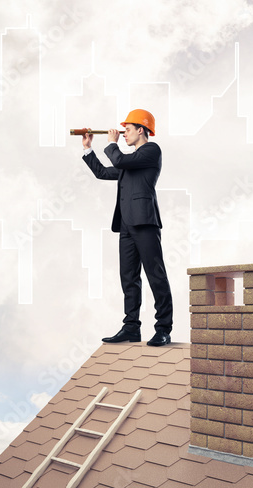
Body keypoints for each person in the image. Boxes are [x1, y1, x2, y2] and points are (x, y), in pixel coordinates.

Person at [81, 109, 173, 346]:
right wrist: (88, 148)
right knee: (129, 277)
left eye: (128, 130)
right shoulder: (130, 162)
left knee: (156, 276)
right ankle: (131, 327)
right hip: (126, 225)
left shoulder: (151, 151)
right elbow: (103, 172)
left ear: (141, 129)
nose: (124, 135)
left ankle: (163, 328)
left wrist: (111, 143)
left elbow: (119, 159)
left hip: (145, 222)